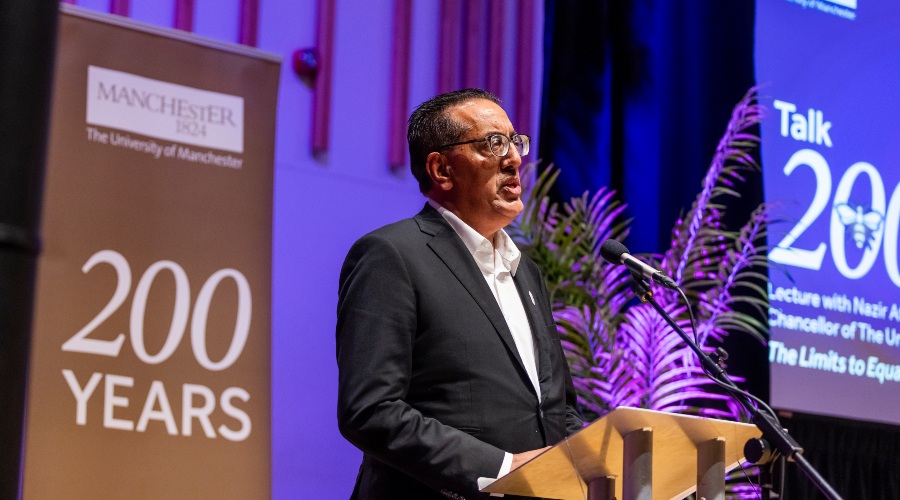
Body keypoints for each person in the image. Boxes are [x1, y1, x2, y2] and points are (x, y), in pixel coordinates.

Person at [336, 88, 583, 499]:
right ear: (441, 169)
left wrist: (591, 467)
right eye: (493, 143)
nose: (515, 158)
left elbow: (558, 407)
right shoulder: (392, 256)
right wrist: (502, 468)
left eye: (514, 141)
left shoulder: (527, 273)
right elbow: (370, 409)